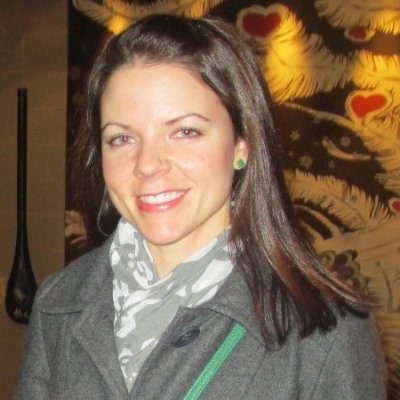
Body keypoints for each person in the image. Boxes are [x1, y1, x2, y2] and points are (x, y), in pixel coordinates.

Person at [15, 14, 386, 400]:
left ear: (241, 145)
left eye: (185, 132)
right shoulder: (60, 302)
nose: (148, 164)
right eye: (122, 138)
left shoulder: (323, 329)